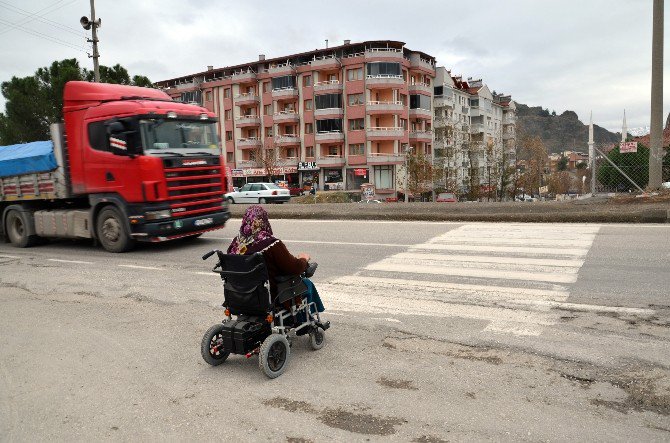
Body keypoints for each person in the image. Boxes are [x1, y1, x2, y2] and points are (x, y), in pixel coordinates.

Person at [227, 205, 325, 317]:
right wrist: (303, 259)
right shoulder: (271, 244)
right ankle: (304, 321)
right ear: (264, 221)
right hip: (269, 296)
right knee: (306, 284)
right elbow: (294, 268)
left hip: (238, 295)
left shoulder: (236, 245)